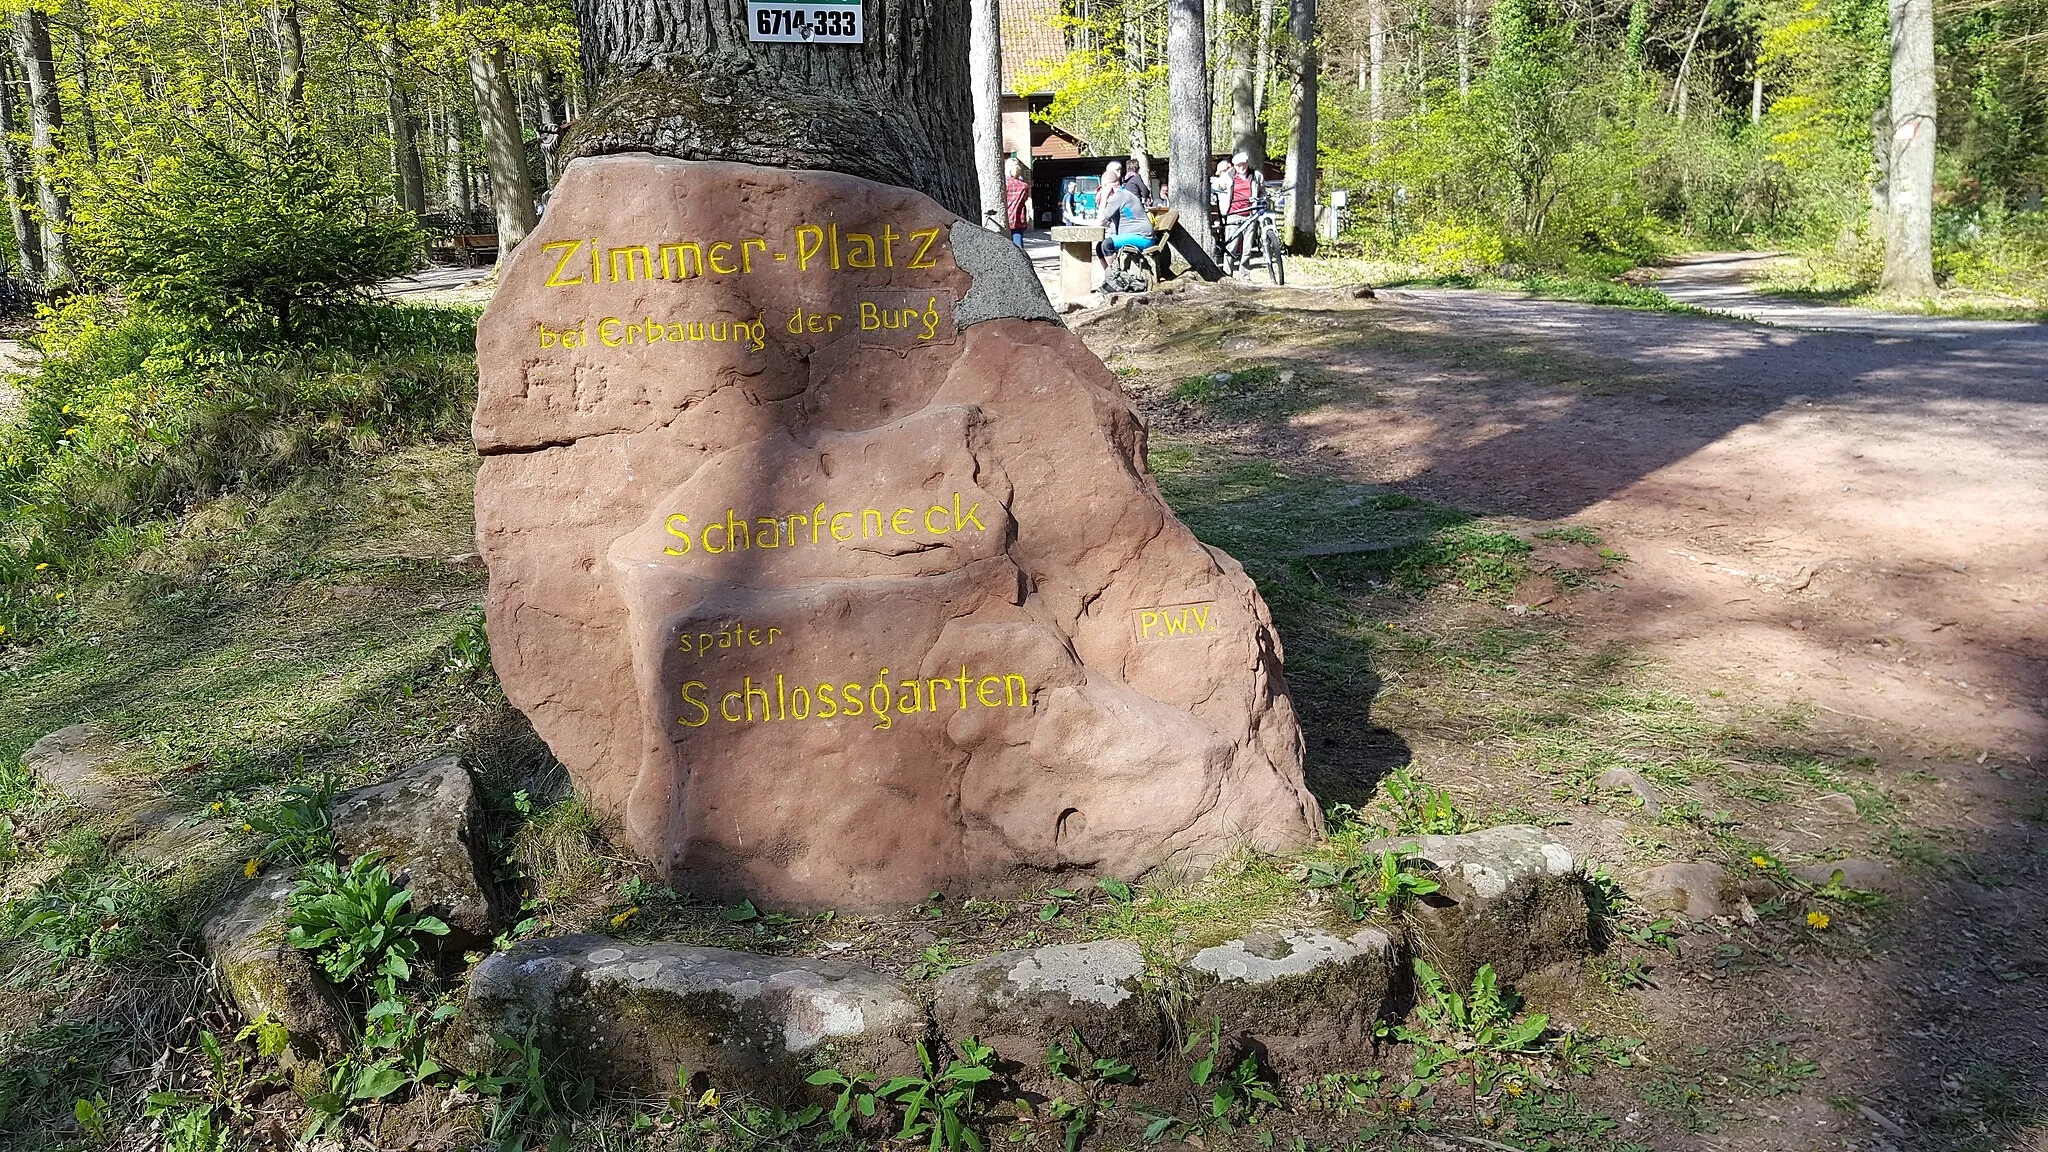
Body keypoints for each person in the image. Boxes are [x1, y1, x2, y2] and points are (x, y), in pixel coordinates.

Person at [1093, 161, 1156, 275]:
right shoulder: (1123, 193)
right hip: (1138, 235)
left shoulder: (1119, 196)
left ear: (1107, 186)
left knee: (1107, 244)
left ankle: (1115, 276)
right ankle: (1110, 277)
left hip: (1143, 237)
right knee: (1099, 247)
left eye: (1103, 187)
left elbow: (1101, 220)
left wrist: (1104, 199)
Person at [1218, 151, 1265, 272]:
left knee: (1247, 247)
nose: (1241, 167)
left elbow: (1262, 191)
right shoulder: (1229, 177)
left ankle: (1244, 274)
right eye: (1238, 165)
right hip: (1233, 214)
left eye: (1243, 164)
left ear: (1247, 163)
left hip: (1249, 215)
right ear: (1234, 166)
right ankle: (1227, 272)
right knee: (1231, 246)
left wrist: (1261, 202)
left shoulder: (1256, 176)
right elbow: (1218, 186)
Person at [1003, 157, 1032, 248]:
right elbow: (1025, 199)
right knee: (1018, 242)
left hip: (1005, 216)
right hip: (1019, 217)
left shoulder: (1004, 185)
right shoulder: (1024, 186)